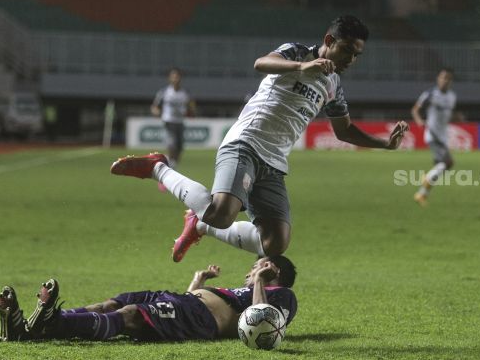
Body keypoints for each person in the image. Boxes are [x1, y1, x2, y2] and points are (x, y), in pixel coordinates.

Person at [111, 15, 409, 262]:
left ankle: (200, 225)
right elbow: (261, 63)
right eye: (347, 50)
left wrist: (385, 143)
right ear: (329, 41)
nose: (351, 59)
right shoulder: (297, 53)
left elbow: (343, 130)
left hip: (275, 162)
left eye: (357, 54)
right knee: (222, 213)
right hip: (246, 142)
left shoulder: (333, 84)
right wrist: (302, 66)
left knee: (275, 242)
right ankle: (156, 168)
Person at [0, 256, 297, 342]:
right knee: (110, 304)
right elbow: (199, 297)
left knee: (130, 314)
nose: (253, 268)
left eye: (260, 264)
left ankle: (49, 323)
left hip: (198, 318)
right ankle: (32, 326)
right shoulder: (245, 290)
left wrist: (260, 280)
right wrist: (199, 281)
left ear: (276, 271)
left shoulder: (282, 295)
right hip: (183, 301)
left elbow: (262, 323)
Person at [411, 68, 463, 207]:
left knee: (441, 166)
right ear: (438, 79)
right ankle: (425, 183)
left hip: (443, 135)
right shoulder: (430, 94)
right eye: (442, 77)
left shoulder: (452, 96)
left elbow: (448, 114)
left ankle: (422, 193)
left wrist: (456, 117)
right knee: (448, 163)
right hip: (433, 134)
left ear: (451, 81)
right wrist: (419, 120)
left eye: (447, 78)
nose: (444, 81)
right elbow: (415, 109)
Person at [151, 67, 196, 170]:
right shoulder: (164, 92)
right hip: (169, 121)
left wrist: (191, 111)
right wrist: (157, 112)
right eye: (173, 77)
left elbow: (191, 106)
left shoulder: (185, 93)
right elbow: (155, 107)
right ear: (169, 78)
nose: (176, 79)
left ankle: (171, 165)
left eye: (178, 77)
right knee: (172, 145)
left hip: (180, 122)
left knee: (179, 148)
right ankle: (168, 168)